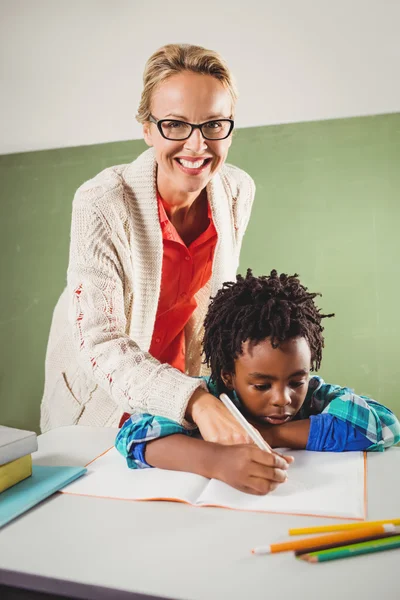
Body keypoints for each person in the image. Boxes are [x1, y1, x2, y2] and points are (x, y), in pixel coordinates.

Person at [40, 43, 261, 447]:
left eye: (214, 124)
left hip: (180, 391)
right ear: (147, 129)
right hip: (102, 402)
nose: (197, 146)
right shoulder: (101, 202)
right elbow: (101, 342)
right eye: (175, 124)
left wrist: (227, 392)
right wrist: (195, 400)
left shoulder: (236, 191)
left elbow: (219, 309)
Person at [115, 269, 400, 495]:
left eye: (296, 381)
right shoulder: (210, 397)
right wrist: (216, 461)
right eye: (262, 386)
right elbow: (134, 435)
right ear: (228, 375)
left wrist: (268, 434)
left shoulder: (313, 396)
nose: (283, 398)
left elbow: (385, 425)